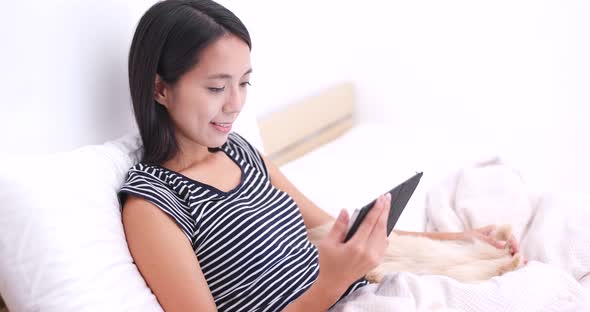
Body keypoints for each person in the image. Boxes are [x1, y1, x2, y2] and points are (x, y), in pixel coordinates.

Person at [118, 1, 520, 311]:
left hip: (364, 296)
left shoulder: (240, 152)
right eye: (216, 88)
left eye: (244, 83)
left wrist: (457, 241)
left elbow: (330, 229)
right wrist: (329, 282)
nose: (235, 104)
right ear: (160, 89)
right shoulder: (153, 205)